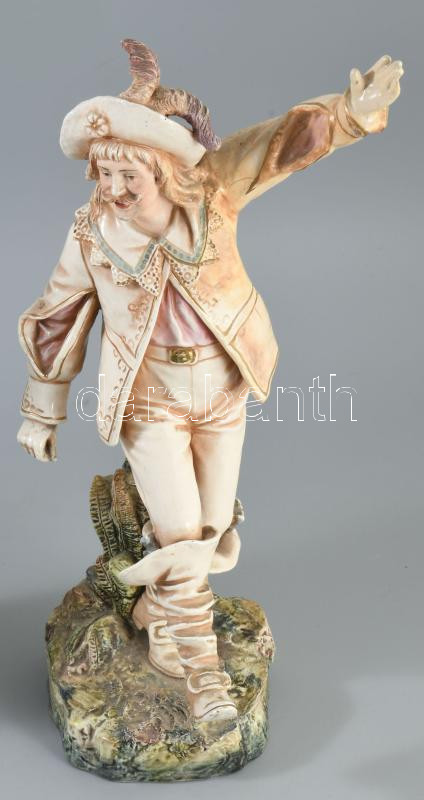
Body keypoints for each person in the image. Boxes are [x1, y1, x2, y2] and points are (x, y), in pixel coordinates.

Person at [17, 40, 403, 721]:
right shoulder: (91, 234)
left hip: (223, 390)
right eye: (104, 172)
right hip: (150, 400)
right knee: (180, 530)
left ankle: (157, 605)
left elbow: (282, 144)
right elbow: (57, 317)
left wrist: (349, 112)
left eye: (129, 172)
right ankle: (204, 681)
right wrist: (41, 411)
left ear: (164, 166)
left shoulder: (214, 193)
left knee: (214, 526)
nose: (115, 188)